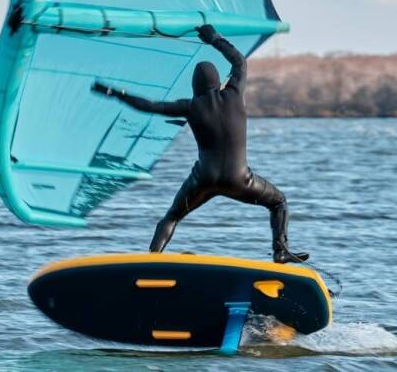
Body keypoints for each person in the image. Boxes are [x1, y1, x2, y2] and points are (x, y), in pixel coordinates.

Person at [91, 24, 308, 264]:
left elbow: (150, 106)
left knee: (172, 217)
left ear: (195, 86)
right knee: (278, 202)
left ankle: (151, 261)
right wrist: (214, 38)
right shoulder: (234, 94)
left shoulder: (190, 106)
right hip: (239, 179)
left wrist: (115, 93)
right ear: (218, 82)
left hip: (203, 180)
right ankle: (280, 251)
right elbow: (239, 62)